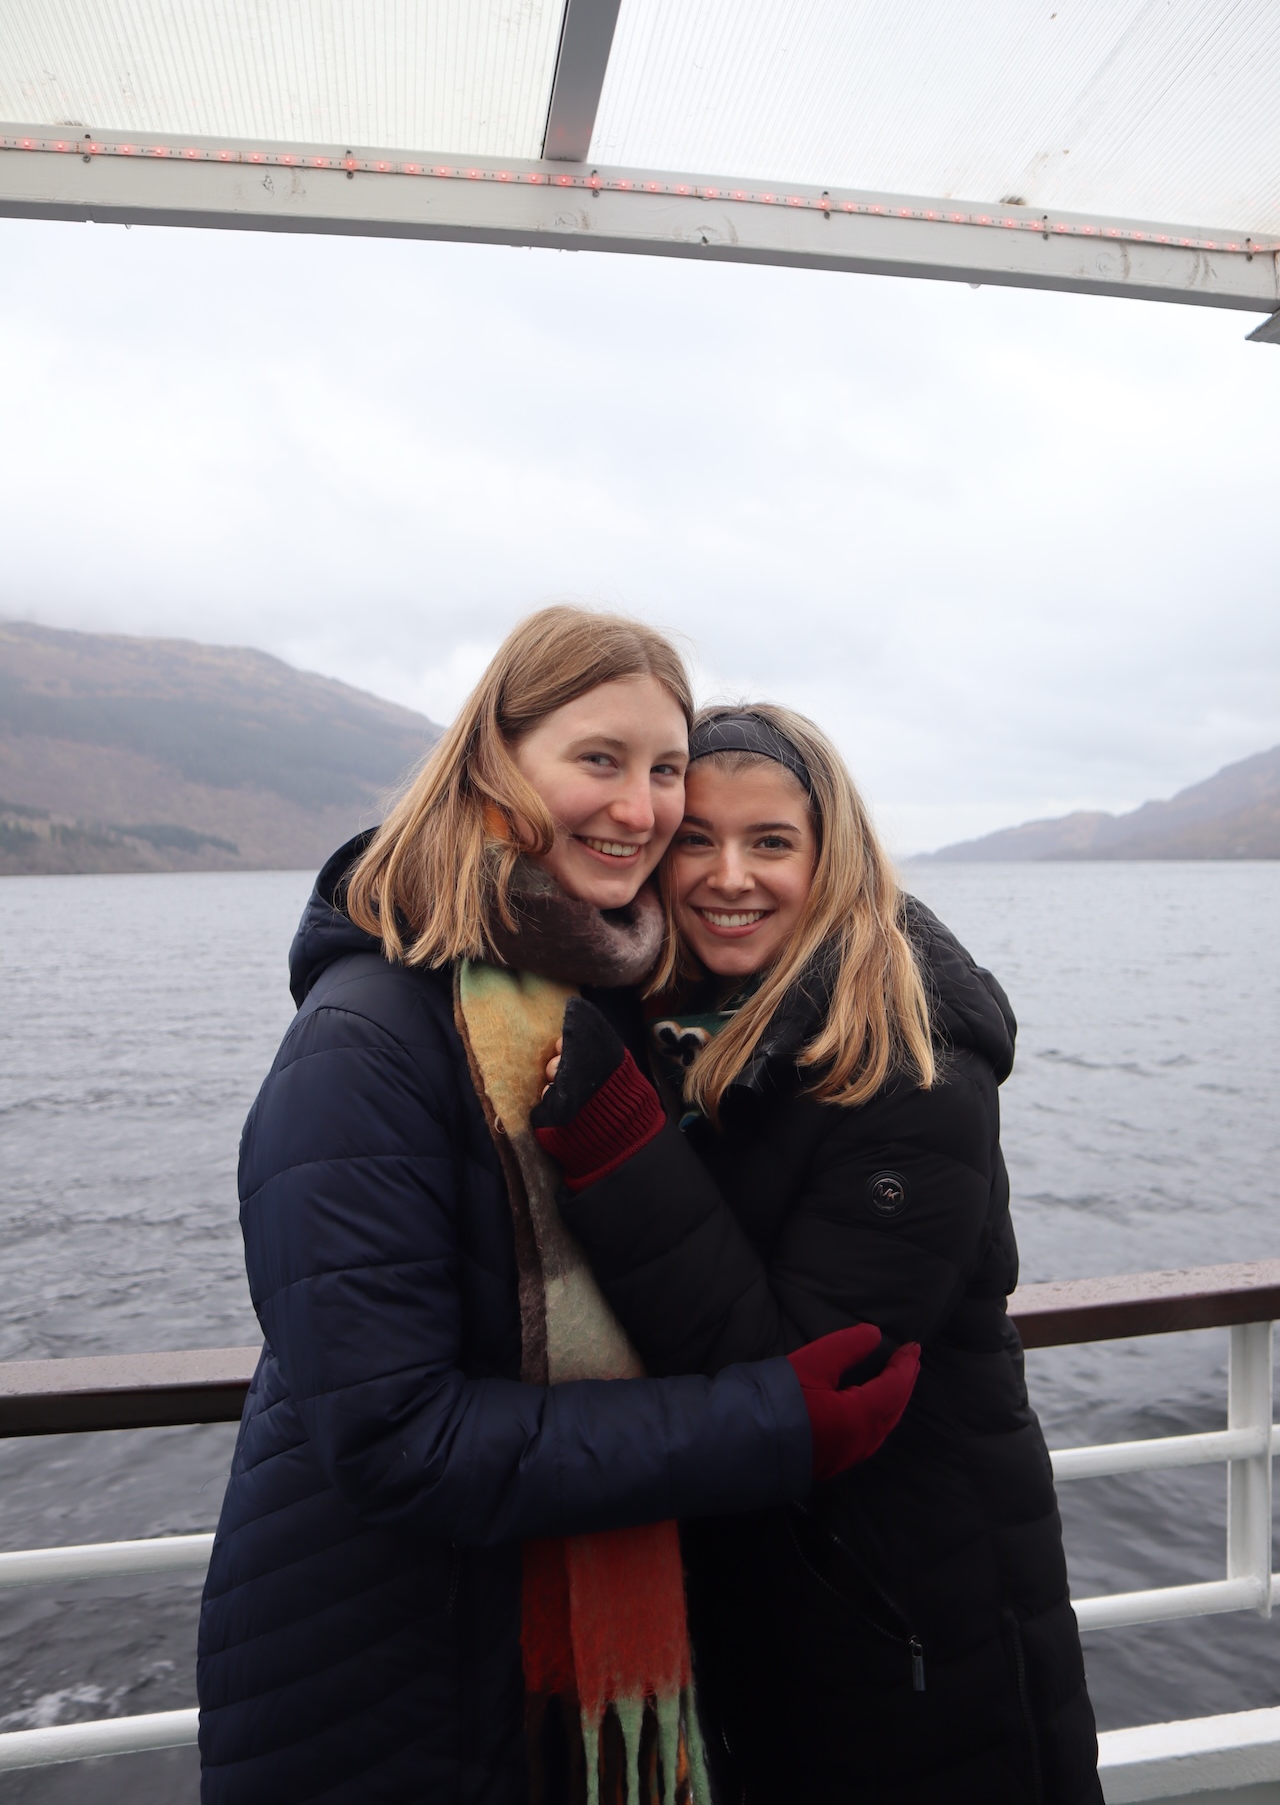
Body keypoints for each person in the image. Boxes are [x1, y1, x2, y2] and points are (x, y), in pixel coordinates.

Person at [196, 617, 918, 1805]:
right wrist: (760, 1426)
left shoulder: (600, 999)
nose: (641, 809)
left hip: (539, 1699)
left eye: (664, 768)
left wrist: (881, 947)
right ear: (494, 761)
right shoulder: (368, 1039)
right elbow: (394, 1437)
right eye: (599, 759)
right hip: (388, 1683)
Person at [534, 703, 1104, 1805]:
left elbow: (800, 1374)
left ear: (829, 853)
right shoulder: (698, 1018)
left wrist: (616, 1147)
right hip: (776, 1615)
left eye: (770, 843)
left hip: (908, 1632)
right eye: (694, 838)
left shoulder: (908, 1061)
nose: (725, 876)